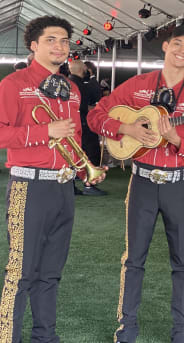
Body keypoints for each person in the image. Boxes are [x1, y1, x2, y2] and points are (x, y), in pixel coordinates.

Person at [88, 24, 184, 343]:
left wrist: (176, 139)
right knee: (134, 258)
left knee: (182, 261)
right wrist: (125, 129)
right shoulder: (138, 85)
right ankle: (127, 327)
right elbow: (95, 117)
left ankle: (181, 330)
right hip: (142, 181)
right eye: (177, 44)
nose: (182, 50)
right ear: (166, 47)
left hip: (179, 185)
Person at [0, 15, 105, 342]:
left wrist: (84, 165)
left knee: (50, 274)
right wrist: (43, 131)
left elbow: (71, 137)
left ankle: (45, 338)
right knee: (20, 273)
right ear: (33, 45)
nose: (60, 46)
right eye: (51, 40)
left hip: (63, 188)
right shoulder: (12, 84)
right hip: (28, 186)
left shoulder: (72, 89)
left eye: (64, 41)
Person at [69, 59, 105, 196]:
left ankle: (71, 185)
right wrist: (98, 110)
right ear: (83, 69)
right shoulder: (82, 86)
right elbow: (85, 106)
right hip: (84, 124)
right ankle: (89, 185)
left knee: (72, 155)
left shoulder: (67, 83)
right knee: (92, 153)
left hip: (71, 124)